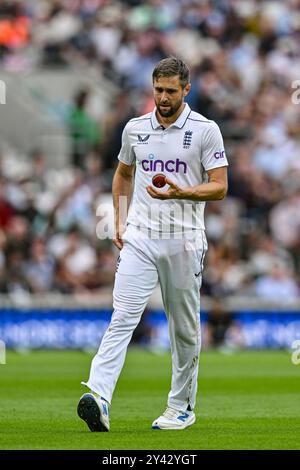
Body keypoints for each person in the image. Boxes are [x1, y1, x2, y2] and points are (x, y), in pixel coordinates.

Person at [77, 57, 228, 431]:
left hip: (184, 241)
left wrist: (184, 192)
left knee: (183, 329)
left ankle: (181, 408)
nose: (163, 97)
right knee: (122, 316)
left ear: (186, 89)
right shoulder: (135, 128)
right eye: (158, 90)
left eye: (171, 91)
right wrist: (120, 218)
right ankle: (99, 396)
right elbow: (123, 174)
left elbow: (220, 186)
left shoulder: (206, 130)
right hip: (141, 236)